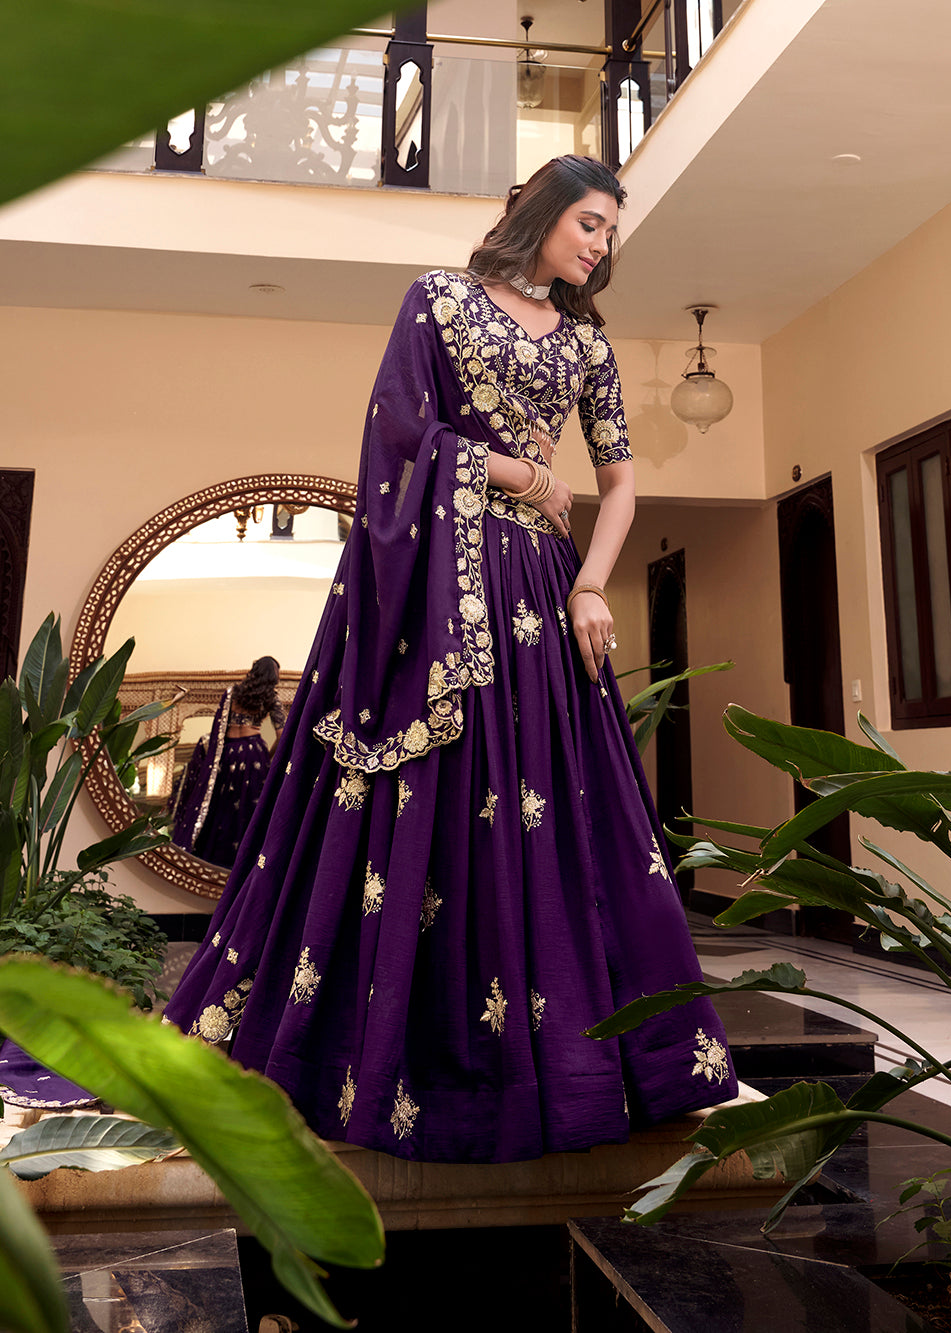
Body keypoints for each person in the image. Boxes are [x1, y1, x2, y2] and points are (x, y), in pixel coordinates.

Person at [165, 155, 738, 1163]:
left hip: (537, 593)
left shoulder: (587, 344)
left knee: (548, 800)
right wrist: (507, 467)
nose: (601, 245)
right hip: (430, 585)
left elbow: (620, 485)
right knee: (429, 793)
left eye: (611, 232)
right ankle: (384, 1051)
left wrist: (592, 584)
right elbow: (396, 439)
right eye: (590, 223)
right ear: (544, 212)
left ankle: (567, 1063)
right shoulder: (436, 300)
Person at [171, 656, 285, 869]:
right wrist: (268, 757)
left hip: (227, 754)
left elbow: (219, 729)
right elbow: (282, 735)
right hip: (253, 754)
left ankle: (210, 863)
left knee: (221, 806)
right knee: (249, 809)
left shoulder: (232, 692)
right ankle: (244, 865)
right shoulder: (271, 698)